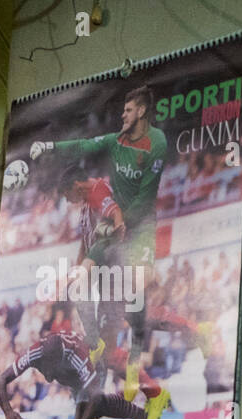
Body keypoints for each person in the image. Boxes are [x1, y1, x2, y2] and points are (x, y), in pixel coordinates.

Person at [30, 85, 167, 400]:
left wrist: (119, 222)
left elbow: (114, 207)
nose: (122, 115)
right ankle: (111, 373)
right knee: (101, 330)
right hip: (108, 260)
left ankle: (133, 363)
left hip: (127, 242)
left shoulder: (99, 189)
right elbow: (84, 144)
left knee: (137, 295)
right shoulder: (111, 151)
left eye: (129, 110)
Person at [0, 331, 167, 419]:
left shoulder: (77, 355)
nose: (48, 373)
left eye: (52, 367)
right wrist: (8, 411)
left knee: (90, 416)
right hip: (73, 379)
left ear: (61, 358)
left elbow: (95, 397)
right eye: (44, 366)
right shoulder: (34, 353)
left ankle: (139, 415)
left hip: (93, 363)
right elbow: (1, 380)